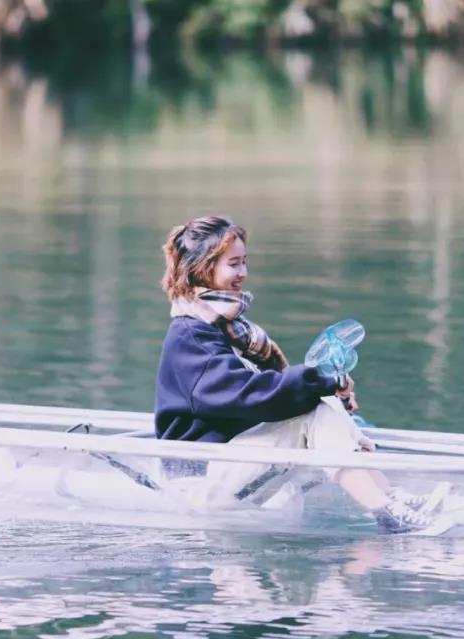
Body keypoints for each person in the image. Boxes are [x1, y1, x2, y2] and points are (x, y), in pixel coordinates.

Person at [153, 215, 441, 533]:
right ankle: (387, 511)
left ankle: (390, 499)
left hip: (224, 466)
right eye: (233, 264)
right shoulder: (191, 336)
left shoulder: (228, 329)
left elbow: (266, 395)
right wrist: (323, 382)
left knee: (320, 406)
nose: (243, 273)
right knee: (313, 412)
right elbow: (245, 394)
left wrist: (329, 389)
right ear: (203, 268)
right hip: (197, 484)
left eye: (245, 262)